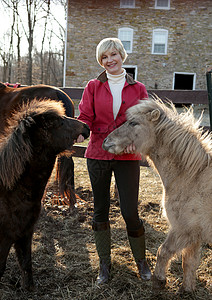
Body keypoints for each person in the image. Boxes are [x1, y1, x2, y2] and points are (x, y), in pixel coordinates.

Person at [77, 37, 151, 285]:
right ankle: (104, 266)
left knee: (130, 211)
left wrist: (136, 140)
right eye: (104, 57)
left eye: (113, 55)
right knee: (100, 210)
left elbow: (143, 122)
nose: (109, 61)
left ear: (122, 56)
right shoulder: (93, 86)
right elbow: (86, 116)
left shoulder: (138, 88)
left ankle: (141, 262)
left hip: (128, 155)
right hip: (98, 153)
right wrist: (80, 130)